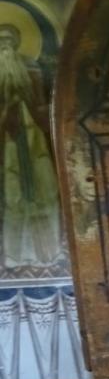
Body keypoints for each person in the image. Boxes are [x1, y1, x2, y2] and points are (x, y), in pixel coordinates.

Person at [0, 22, 62, 268]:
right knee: (13, 196)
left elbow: (41, 103)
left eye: (8, 39)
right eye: (0, 40)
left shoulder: (30, 66)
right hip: (7, 141)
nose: (4, 45)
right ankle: (14, 256)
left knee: (44, 189)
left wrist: (30, 108)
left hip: (34, 137)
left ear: (16, 43)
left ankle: (49, 252)